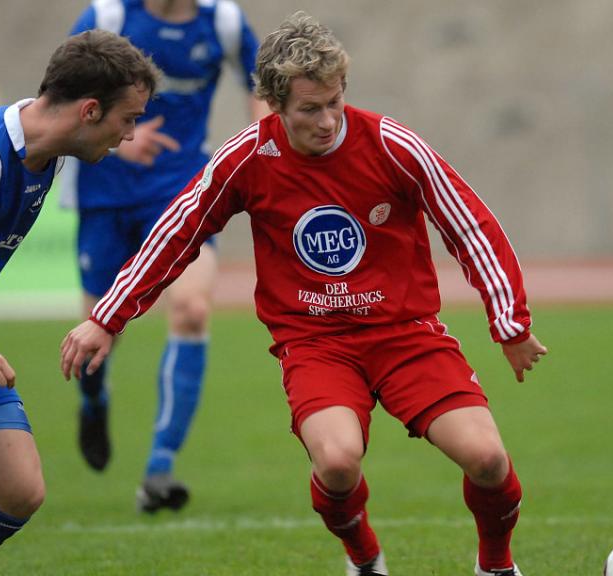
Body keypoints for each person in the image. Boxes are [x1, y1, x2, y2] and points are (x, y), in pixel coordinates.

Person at [61, 11, 548, 576]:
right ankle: (364, 559)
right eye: (309, 109)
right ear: (273, 105)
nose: (326, 121)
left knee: (487, 458)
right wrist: (107, 318)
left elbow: (470, 226)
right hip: (315, 344)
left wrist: (509, 323)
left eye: (335, 102)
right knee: (338, 462)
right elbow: (176, 235)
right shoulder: (247, 157)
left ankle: (496, 566)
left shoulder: (392, 146)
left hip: (404, 335)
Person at [0, 30, 160, 576]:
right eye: (128, 119)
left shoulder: (47, 157)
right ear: (89, 110)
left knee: (17, 488)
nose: (130, 135)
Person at [60, 0, 268, 513]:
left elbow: (263, 84)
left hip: (184, 190)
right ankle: (93, 402)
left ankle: (159, 468)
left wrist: (265, 148)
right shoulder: (106, 17)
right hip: (106, 193)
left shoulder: (221, 21)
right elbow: (58, 97)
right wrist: (114, 140)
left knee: (193, 310)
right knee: (95, 331)